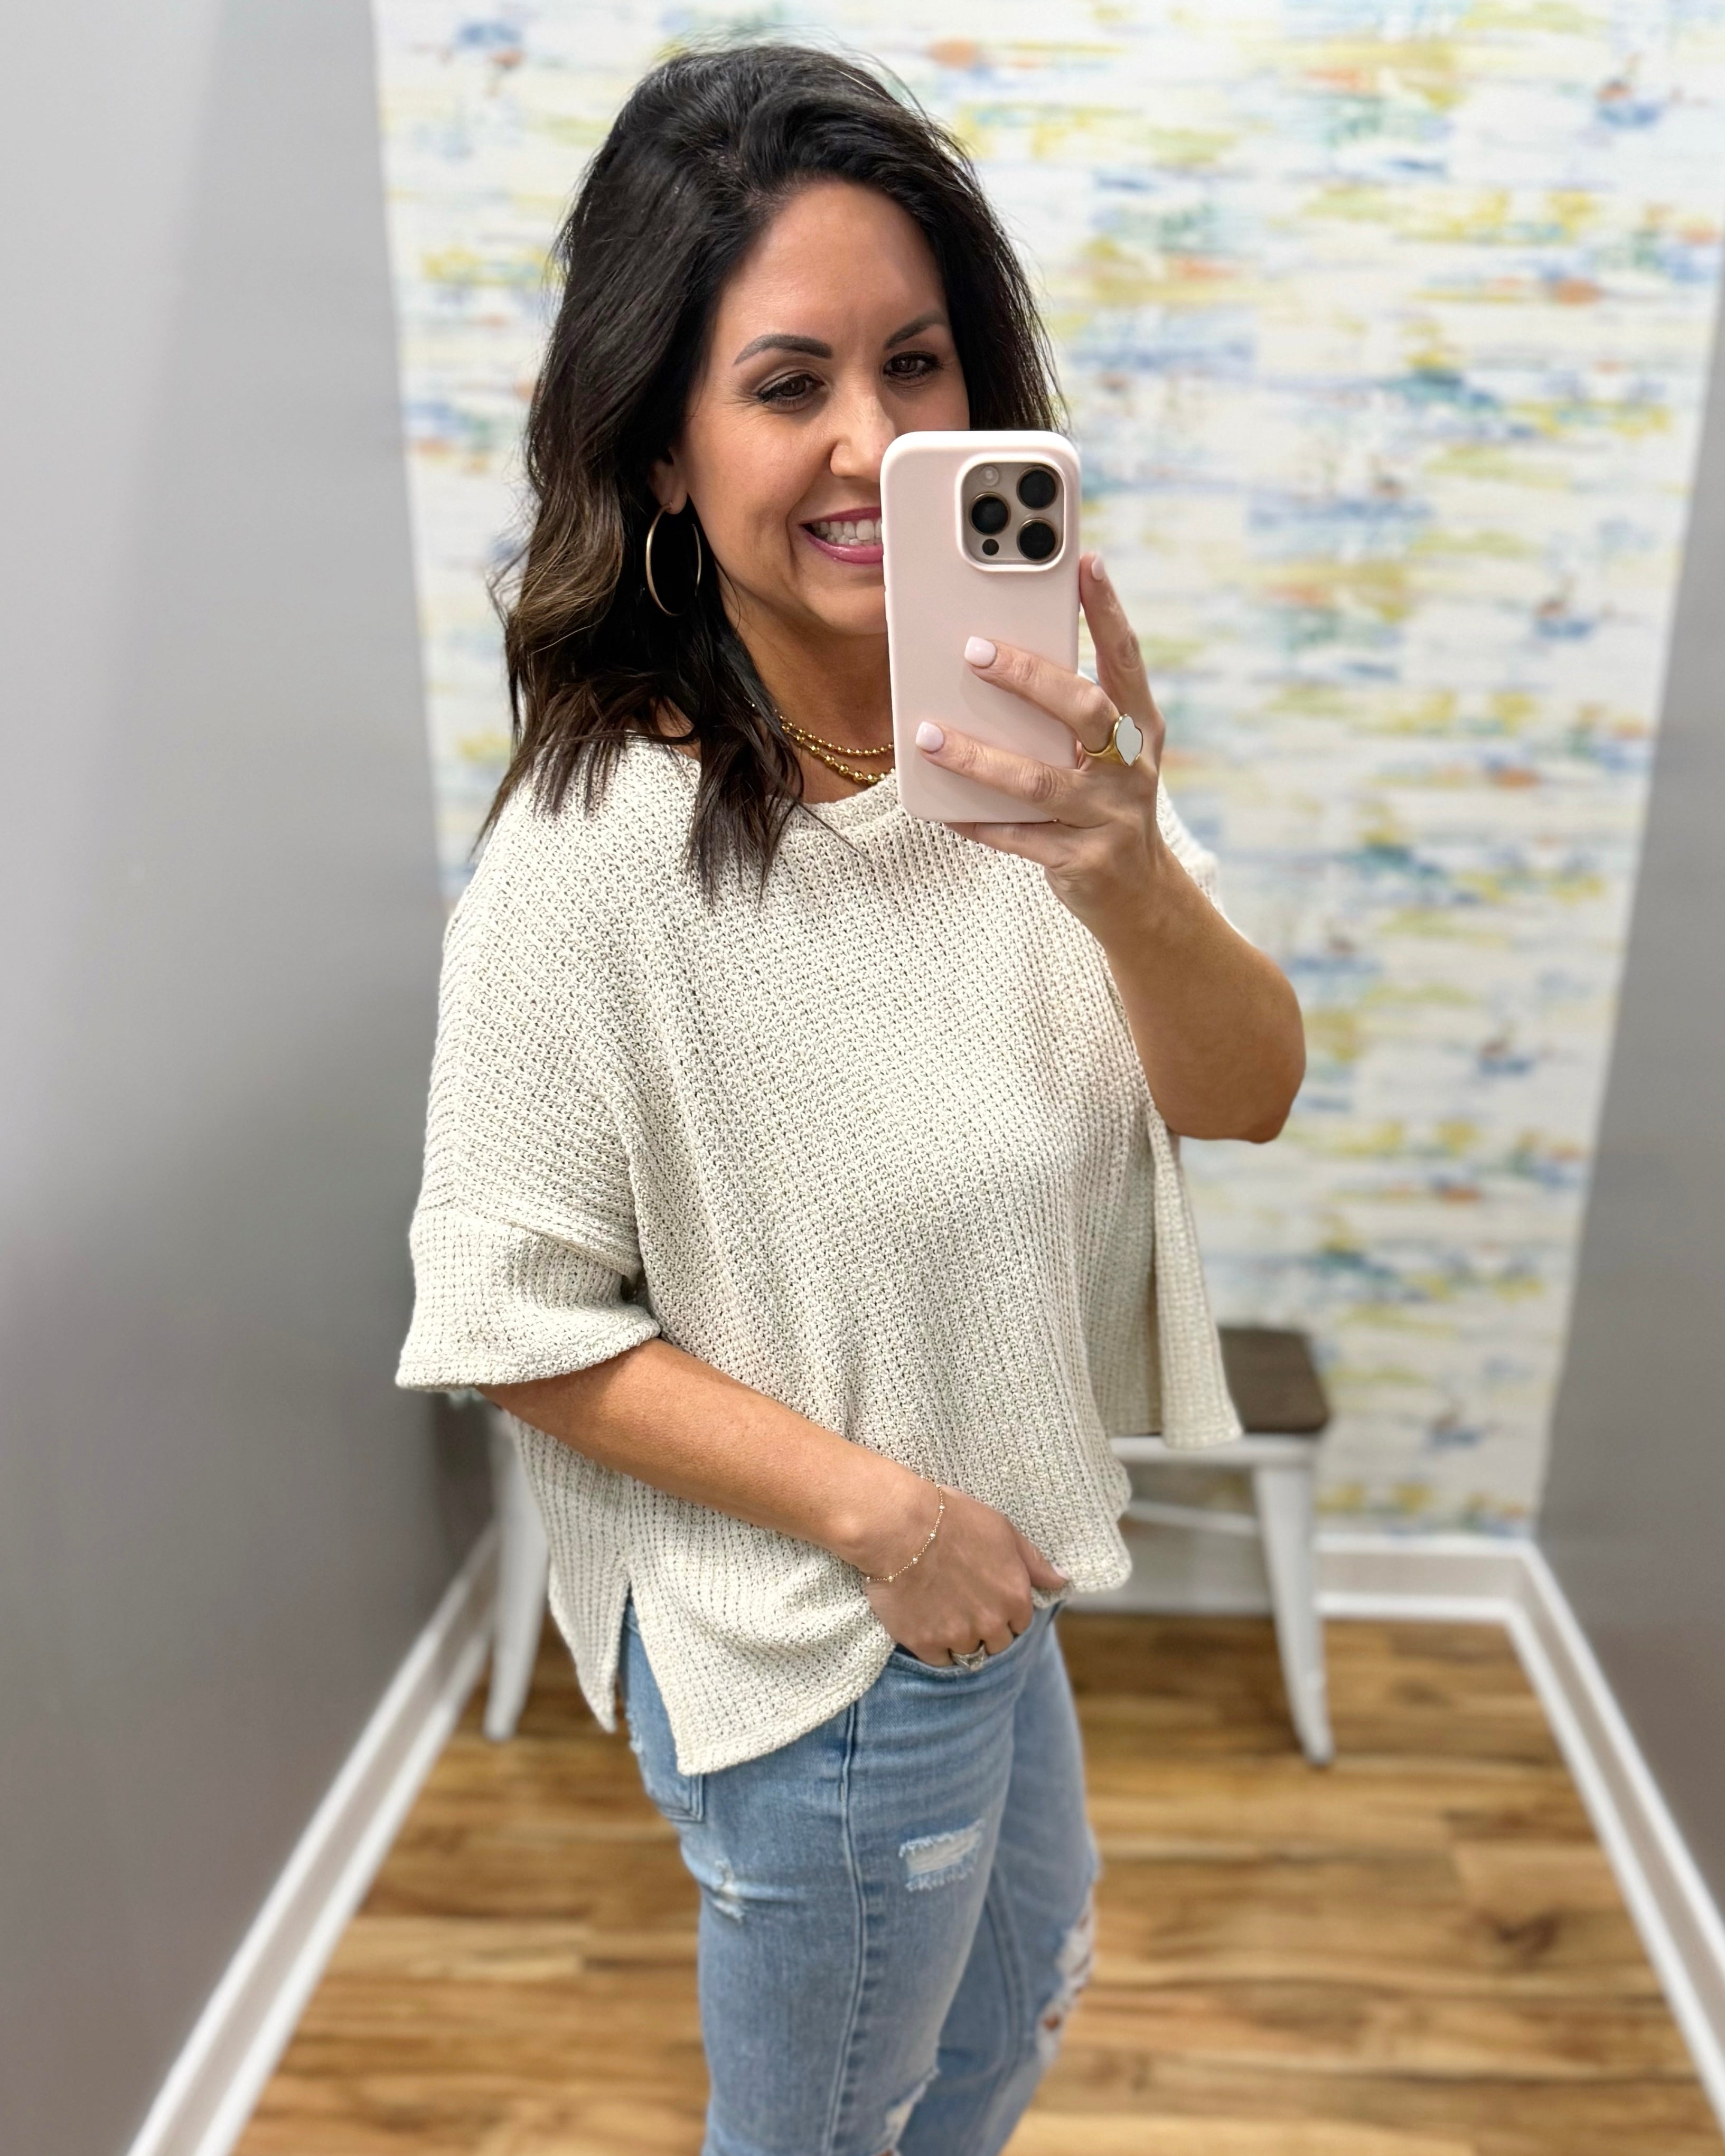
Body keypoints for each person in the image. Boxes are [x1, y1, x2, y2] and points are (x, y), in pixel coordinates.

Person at [397, 41, 1305, 2156]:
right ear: (657, 448)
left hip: (992, 1578)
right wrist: (888, 1524)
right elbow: (504, 1313)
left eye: (919, 365)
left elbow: (1241, 1091)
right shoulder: (597, 854)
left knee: (1003, 2028)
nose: (874, 440)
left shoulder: (1029, 750)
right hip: (815, 1639)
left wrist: (1121, 859)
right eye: (789, 381)